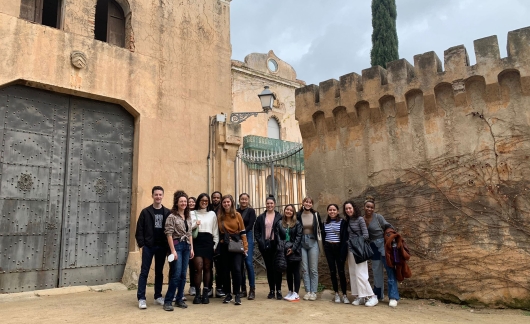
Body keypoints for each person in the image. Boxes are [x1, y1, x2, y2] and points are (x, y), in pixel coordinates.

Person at [135, 186, 171, 309]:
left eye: (160, 194)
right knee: (144, 272)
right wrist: (142, 244)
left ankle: (157, 296)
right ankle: (141, 298)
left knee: (159, 273)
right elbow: (139, 229)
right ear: (152, 196)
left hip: (162, 246)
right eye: (156, 194)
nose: (158, 197)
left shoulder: (167, 212)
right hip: (149, 247)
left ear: (163, 196)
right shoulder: (145, 212)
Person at [364, 196, 400, 307]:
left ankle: (393, 297)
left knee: (389, 270)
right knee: (376, 272)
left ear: (374, 208)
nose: (369, 209)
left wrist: (389, 237)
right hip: (372, 247)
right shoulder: (362, 219)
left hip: (383, 246)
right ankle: (378, 295)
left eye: (372, 207)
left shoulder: (378, 218)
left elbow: (389, 227)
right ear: (364, 207)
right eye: (367, 207)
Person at [163, 191, 194, 311]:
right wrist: (173, 250)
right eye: (181, 201)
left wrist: (192, 248)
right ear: (176, 202)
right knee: (176, 274)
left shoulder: (188, 216)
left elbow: (190, 233)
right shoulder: (172, 217)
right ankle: (168, 301)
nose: (183, 203)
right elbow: (169, 234)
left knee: (183, 275)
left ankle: (180, 298)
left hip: (186, 247)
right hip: (177, 247)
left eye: (185, 201)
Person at [344, 200, 378, 307]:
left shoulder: (360, 220)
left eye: (350, 208)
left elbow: (366, 235)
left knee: (361, 274)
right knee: (353, 274)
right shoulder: (348, 220)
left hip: (359, 250)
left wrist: (355, 243)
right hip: (350, 251)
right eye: (346, 209)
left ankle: (372, 296)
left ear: (354, 208)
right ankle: (359, 296)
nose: (348, 210)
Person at [217, 195, 248, 305]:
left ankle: (237, 294)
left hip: (235, 245)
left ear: (232, 203)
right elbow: (218, 232)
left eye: (228, 202)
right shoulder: (219, 216)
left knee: (237, 270)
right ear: (222, 204)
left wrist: (245, 247)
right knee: (225, 271)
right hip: (224, 245)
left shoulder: (237, 215)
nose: (226, 204)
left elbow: (243, 232)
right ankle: (228, 294)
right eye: (224, 202)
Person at [192, 193, 219, 304]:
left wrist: (215, 244)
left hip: (208, 241)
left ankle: (206, 292)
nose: (204, 202)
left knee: (208, 267)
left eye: (206, 201)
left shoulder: (212, 214)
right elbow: (188, 228)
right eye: (202, 200)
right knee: (199, 267)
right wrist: (195, 225)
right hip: (197, 240)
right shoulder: (192, 213)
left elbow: (215, 230)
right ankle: (197, 294)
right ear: (198, 201)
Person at [255, 195, 282, 299]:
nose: (269, 205)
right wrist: (260, 241)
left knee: (278, 268)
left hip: (276, 245)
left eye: (271, 203)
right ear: (265, 205)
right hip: (265, 245)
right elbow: (256, 231)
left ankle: (279, 290)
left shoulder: (279, 216)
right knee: (269, 269)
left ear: (274, 204)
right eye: (268, 203)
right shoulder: (261, 217)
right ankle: (271, 290)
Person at [297, 196, 323, 301]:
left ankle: (314, 291)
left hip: (313, 241)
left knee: (313, 269)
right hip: (302, 242)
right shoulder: (298, 215)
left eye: (310, 202)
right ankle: (307, 291)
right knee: (304, 269)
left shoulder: (315, 215)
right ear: (303, 203)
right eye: (306, 202)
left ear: (312, 204)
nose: (308, 204)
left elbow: (320, 228)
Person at [322, 204, 350, 304]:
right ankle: (337, 293)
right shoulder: (324, 223)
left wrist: (343, 251)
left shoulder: (342, 222)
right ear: (327, 211)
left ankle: (345, 294)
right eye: (330, 210)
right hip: (329, 248)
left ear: (338, 211)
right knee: (332, 271)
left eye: (334, 210)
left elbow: (345, 238)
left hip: (339, 248)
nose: (332, 211)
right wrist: (325, 248)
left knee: (341, 271)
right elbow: (324, 236)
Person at [274, 204, 302, 302]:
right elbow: (277, 236)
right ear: (284, 211)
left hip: (294, 250)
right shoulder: (280, 223)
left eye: (291, 210)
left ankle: (296, 293)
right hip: (284, 250)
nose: (288, 211)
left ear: (293, 212)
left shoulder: (297, 223)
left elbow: (299, 237)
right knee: (288, 272)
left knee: (296, 272)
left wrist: (293, 248)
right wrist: (283, 247)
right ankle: (290, 291)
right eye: (287, 209)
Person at [237, 193, 257, 300]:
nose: (244, 201)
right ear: (239, 200)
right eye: (242, 199)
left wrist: (242, 232)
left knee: (248, 263)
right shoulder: (236, 211)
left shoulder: (251, 211)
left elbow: (251, 224)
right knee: (240, 265)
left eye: (245, 199)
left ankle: (252, 289)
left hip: (247, 236)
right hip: (237, 237)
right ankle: (243, 289)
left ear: (248, 200)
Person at [209, 191, 225, 298]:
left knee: (220, 267)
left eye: (217, 197)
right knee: (208, 266)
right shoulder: (207, 208)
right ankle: (209, 288)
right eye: (214, 197)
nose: (215, 199)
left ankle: (219, 288)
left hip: (221, 241)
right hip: (208, 240)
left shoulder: (223, 210)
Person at [187, 197, 197, 298]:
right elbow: (188, 227)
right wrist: (195, 225)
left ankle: (193, 286)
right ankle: (191, 286)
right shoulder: (185, 213)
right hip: (188, 240)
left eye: (192, 201)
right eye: (189, 202)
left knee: (194, 265)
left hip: (196, 240)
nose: (191, 203)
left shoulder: (198, 212)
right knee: (188, 264)